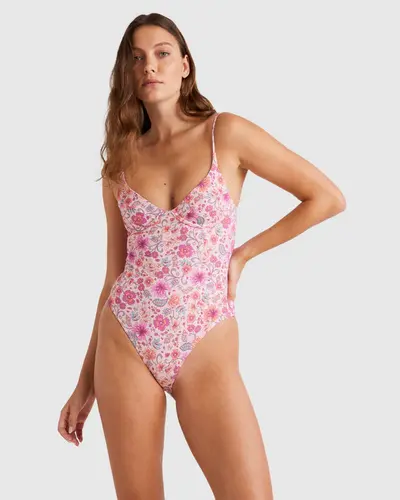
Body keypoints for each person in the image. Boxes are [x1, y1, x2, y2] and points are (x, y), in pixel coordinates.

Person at [57, 12, 346, 500]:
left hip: (204, 336)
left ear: (185, 65)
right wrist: (84, 383)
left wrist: (243, 255)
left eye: (162, 53)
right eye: (136, 58)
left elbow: (327, 198)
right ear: (127, 73)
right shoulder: (119, 164)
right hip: (125, 337)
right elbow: (112, 277)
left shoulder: (225, 133)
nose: (149, 66)